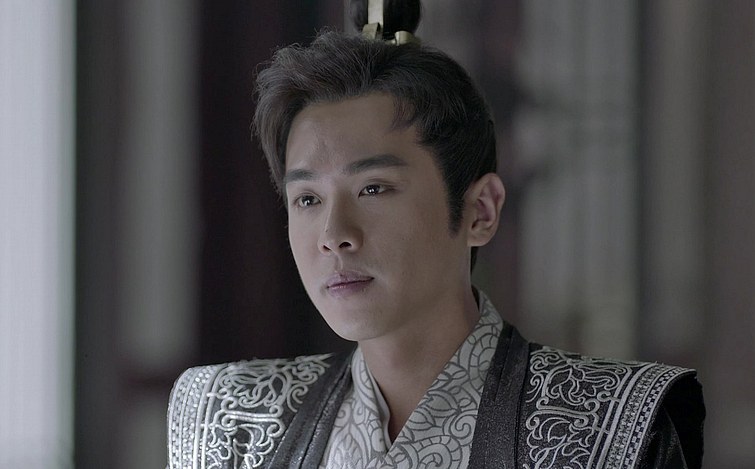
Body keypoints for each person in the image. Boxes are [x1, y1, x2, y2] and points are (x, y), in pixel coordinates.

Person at [166, 1, 704, 467]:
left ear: (480, 211)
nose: (334, 235)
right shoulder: (230, 420)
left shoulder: (607, 424)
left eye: (374, 188)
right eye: (307, 199)